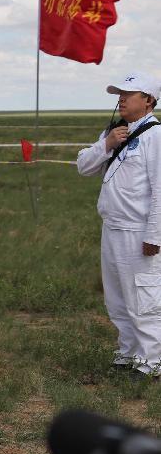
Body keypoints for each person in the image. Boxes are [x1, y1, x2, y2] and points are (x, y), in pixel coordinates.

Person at [77, 72, 161, 378]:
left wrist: (155, 235)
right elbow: (84, 167)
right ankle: (128, 353)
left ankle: (151, 362)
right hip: (111, 227)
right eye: (119, 94)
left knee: (143, 297)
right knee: (117, 298)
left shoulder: (156, 137)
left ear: (149, 100)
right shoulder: (115, 132)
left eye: (129, 94)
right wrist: (107, 144)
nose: (121, 99)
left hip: (139, 232)